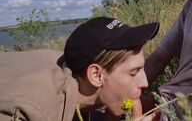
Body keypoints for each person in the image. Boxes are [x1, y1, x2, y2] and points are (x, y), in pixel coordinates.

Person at [0, 17, 159, 121]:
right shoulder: (31, 111)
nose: (145, 82)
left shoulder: (79, 73)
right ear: (96, 75)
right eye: (133, 73)